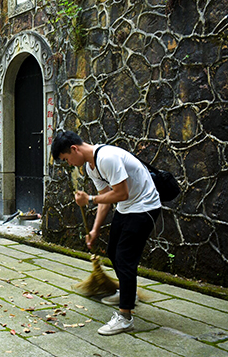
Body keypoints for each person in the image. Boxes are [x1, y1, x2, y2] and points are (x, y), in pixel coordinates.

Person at [51, 131, 161, 336]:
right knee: (112, 252)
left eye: (67, 159)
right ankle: (128, 294)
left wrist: (89, 199)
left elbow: (121, 193)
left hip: (144, 206)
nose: (69, 164)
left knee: (124, 258)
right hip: (127, 207)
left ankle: (125, 317)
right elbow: (106, 198)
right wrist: (94, 229)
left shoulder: (107, 157)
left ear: (74, 149)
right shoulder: (91, 166)